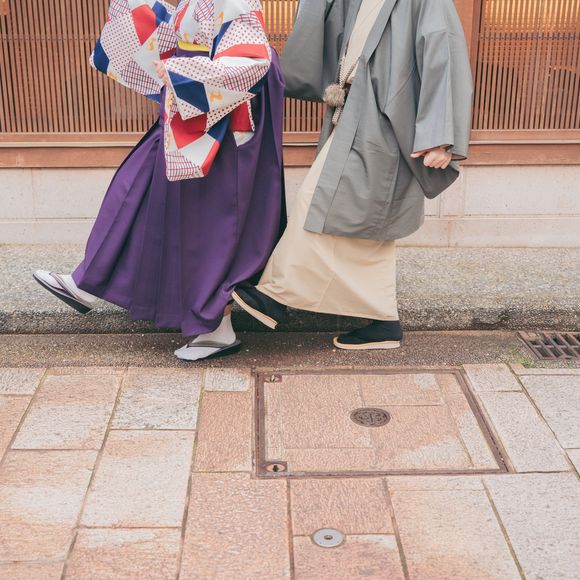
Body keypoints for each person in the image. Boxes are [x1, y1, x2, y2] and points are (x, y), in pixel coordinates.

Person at [34, 0, 285, 361]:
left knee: (211, 228)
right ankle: (88, 281)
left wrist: (182, 72)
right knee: (140, 188)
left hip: (222, 119)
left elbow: (251, 62)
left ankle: (216, 329)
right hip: (192, 108)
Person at [233, 0, 473, 350]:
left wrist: (440, 137)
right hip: (353, 111)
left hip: (385, 121)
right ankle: (385, 322)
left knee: (319, 200)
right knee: (368, 230)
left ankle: (276, 296)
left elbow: (443, 54)